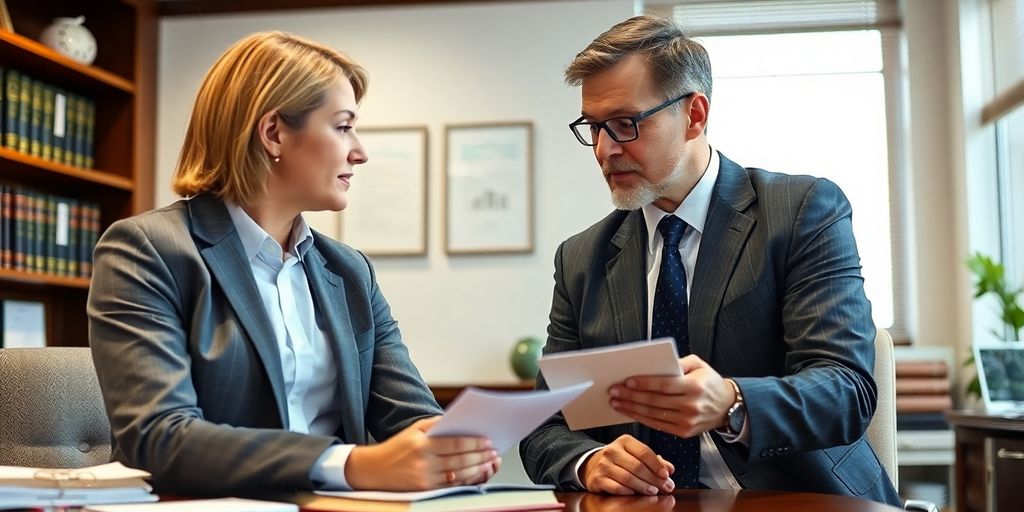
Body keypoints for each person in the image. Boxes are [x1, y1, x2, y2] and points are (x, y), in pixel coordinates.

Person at [87, 31, 499, 497]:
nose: (360, 151)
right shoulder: (146, 250)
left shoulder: (349, 271)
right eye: (343, 126)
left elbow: (407, 415)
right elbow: (159, 437)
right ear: (274, 133)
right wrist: (351, 465)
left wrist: (453, 450)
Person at [519, 15, 901, 506]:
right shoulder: (582, 258)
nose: (603, 150)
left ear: (695, 115)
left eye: (624, 124)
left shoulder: (801, 212)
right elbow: (545, 425)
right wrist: (590, 461)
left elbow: (845, 390)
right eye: (592, 128)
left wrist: (734, 404)